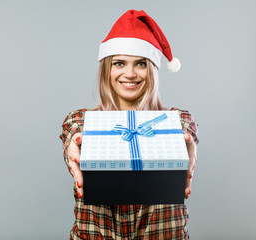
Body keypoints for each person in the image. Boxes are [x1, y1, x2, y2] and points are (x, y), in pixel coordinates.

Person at [60, 9, 199, 240]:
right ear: (107, 69)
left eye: (141, 64)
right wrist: (74, 146)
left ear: (152, 70)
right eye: (119, 63)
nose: (130, 73)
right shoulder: (81, 120)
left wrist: (185, 141)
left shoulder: (178, 119)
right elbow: (73, 131)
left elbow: (186, 130)